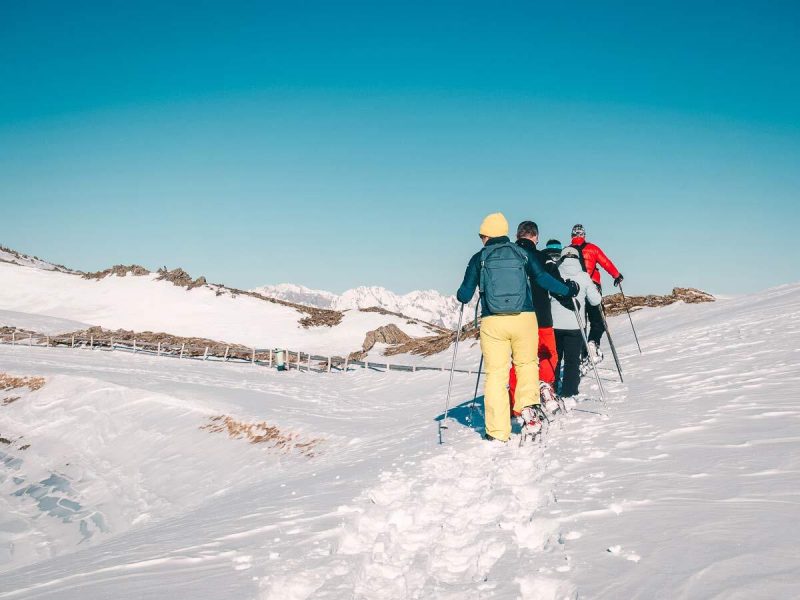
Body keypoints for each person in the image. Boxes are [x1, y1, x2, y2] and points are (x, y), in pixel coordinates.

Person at [457, 213, 578, 442]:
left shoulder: (479, 257)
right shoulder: (521, 253)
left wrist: (461, 294)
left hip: (493, 322)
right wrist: (567, 290)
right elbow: (543, 279)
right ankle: (528, 411)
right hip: (524, 319)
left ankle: (496, 431)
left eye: (482, 235)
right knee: (527, 365)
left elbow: (464, 294)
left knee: (495, 375)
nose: (481, 239)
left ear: (487, 234)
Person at [508, 222, 563, 412]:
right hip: (542, 316)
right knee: (549, 354)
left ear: (517, 236)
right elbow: (557, 285)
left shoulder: (509, 258)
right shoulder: (542, 257)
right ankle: (545, 387)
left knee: (519, 361)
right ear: (536, 237)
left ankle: (516, 405)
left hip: (515, 317)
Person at [551, 246, 602, 398]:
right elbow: (595, 301)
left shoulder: (555, 274)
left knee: (555, 358)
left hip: (555, 324)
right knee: (572, 360)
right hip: (576, 325)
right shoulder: (584, 276)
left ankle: (551, 388)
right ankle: (569, 391)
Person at [569, 224, 623, 363]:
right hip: (593, 287)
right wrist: (616, 275)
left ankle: (582, 353)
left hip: (575, 291)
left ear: (572, 236)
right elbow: (605, 262)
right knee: (598, 320)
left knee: (581, 322)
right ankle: (593, 343)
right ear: (584, 235)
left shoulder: (568, 251)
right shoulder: (592, 248)